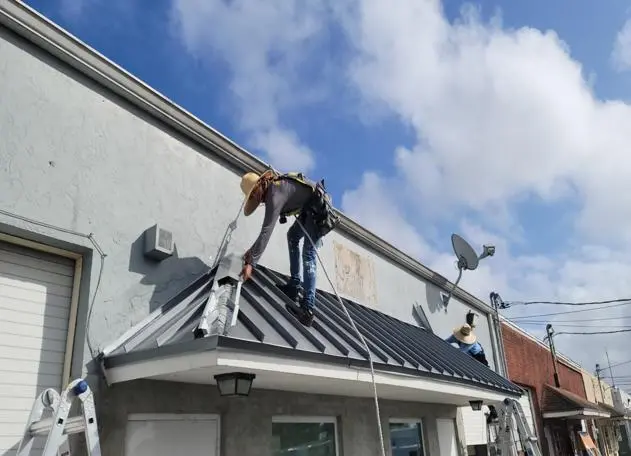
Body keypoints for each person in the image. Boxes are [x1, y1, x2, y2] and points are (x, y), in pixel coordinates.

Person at [239, 170, 336, 326]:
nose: (255, 198)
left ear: (259, 186)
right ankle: (294, 285)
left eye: (253, 193)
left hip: (318, 209)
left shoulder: (274, 193)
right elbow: (265, 231)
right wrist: (252, 253)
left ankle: (307, 309)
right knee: (293, 237)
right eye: (251, 197)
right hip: (308, 209)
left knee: (308, 253)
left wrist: (251, 263)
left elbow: (266, 230)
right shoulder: (275, 188)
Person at [445, 324, 498, 423]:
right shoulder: (455, 336)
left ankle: (493, 410)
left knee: (482, 385)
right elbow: (446, 341)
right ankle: (492, 410)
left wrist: (449, 351)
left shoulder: (472, 344)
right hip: (470, 360)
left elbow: (460, 353)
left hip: (479, 360)